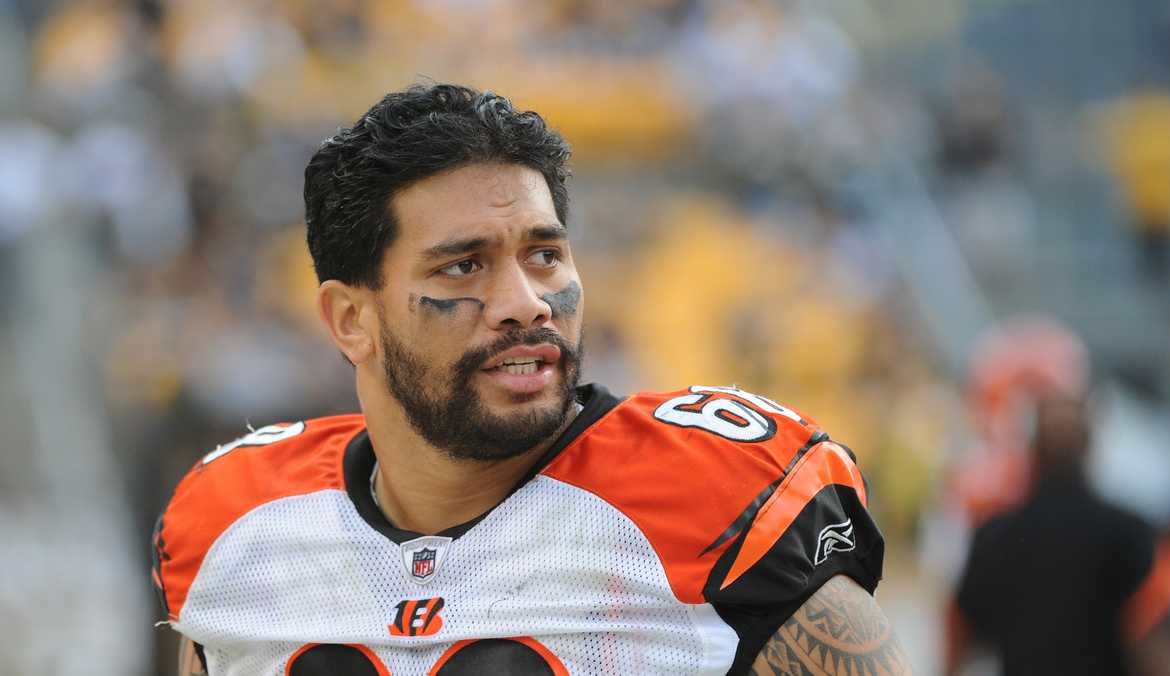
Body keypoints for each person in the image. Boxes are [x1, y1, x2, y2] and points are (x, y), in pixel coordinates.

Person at [152, 83, 912, 676]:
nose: (525, 303)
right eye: (463, 265)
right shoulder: (238, 532)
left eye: (544, 255)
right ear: (352, 320)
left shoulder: (708, 495)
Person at [946, 393, 1170, 676]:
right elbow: (1151, 636)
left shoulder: (996, 535)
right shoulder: (1129, 533)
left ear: (1033, 450)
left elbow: (959, 631)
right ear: (1089, 447)